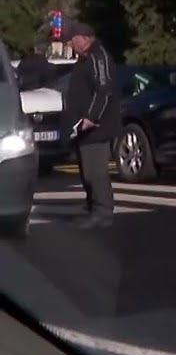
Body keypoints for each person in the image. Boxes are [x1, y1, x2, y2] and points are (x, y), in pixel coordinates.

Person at [60, 20, 120, 230]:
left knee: (96, 172)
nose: (70, 44)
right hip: (82, 127)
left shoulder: (98, 57)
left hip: (97, 126)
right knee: (87, 171)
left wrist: (92, 117)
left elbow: (103, 90)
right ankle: (92, 207)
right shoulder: (84, 59)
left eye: (72, 39)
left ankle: (103, 212)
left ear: (84, 38)